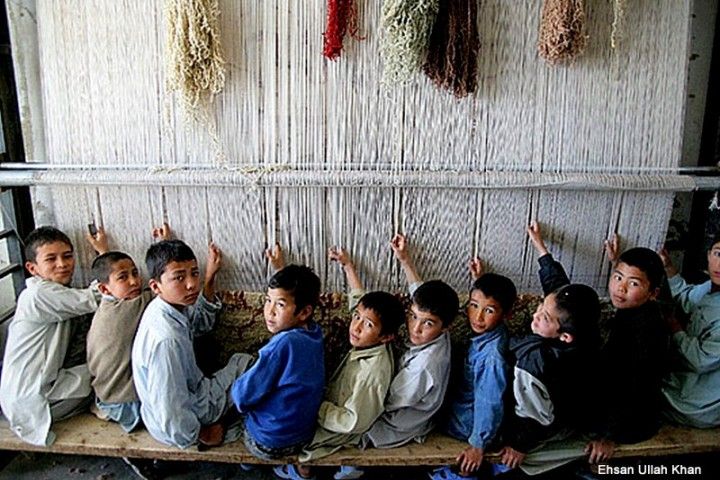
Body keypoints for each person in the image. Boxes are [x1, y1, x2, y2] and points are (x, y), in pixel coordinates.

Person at [527, 222, 669, 464]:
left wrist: (609, 437)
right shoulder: (628, 308)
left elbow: (633, 388)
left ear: (653, 293)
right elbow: (561, 298)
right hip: (611, 400)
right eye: (617, 277)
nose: (620, 288)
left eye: (633, 283)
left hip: (631, 420)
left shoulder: (645, 333)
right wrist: (541, 249)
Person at [274, 247, 404, 480]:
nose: (355, 327)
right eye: (356, 318)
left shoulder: (372, 373)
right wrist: (347, 265)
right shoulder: (369, 339)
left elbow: (353, 420)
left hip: (343, 425)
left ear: (386, 337)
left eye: (368, 325)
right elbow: (358, 300)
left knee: (298, 440)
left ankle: (303, 471)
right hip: (333, 404)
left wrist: (317, 407)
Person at [497, 222, 601, 474]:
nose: (535, 314)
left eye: (543, 316)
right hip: (574, 411)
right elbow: (558, 290)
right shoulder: (585, 327)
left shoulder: (535, 361)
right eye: (540, 308)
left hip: (557, 422)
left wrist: (520, 446)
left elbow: (536, 416)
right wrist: (541, 249)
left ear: (564, 337)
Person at [131, 239, 252, 448]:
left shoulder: (167, 307)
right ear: (155, 286)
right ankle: (224, 424)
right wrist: (201, 434)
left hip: (171, 407)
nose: (191, 284)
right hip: (180, 425)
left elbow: (200, 325)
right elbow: (170, 409)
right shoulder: (166, 341)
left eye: (194, 273)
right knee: (246, 363)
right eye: (179, 277)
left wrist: (210, 278)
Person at [0, 226, 106, 446]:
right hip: (35, 400)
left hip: (37, 390)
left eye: (67, 256)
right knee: (113, 373)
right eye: (51, 259)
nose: (62, 264)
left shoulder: (55, 292)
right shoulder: (38, 295)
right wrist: (104, 254)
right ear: (32, 268)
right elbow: (100, 295)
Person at [230, 244, 325, 461]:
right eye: (267, 301)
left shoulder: (282, 345)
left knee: (237, 388)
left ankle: (255, 465)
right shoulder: (314, 333)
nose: (269, 312)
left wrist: (237, 388)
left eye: (279, 305)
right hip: (303, 434)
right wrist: (280, 269)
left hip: (269, 442)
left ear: (304, 311)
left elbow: (241, 397)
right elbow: (294, 301)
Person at [431, 257, 516, 480]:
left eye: (489, 310)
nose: (477, 316)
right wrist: (480, 280)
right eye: (473, 305)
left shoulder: (492, 357)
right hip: (466, 414)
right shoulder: (491, 332)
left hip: (466, 427)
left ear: (506, 314)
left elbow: (489, 399)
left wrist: (477, 445)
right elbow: (487, 302)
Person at [86, 223, 172, 432]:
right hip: (126, 404)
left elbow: (110, 274)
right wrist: (167, 247)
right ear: (104, 287)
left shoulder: (108, 304)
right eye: (124, 277)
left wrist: (104, 252)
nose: (135, 281)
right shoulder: (131, 307)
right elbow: (168, 287)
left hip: (105, 395)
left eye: (135, 272)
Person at [660, 234, 720, 428]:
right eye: (718, 253)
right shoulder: (710, 287)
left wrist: (674, 326)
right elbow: (685, 296)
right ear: (709, 254)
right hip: (685, 381)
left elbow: (700, 361)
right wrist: (668, 267)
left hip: (699, 404)